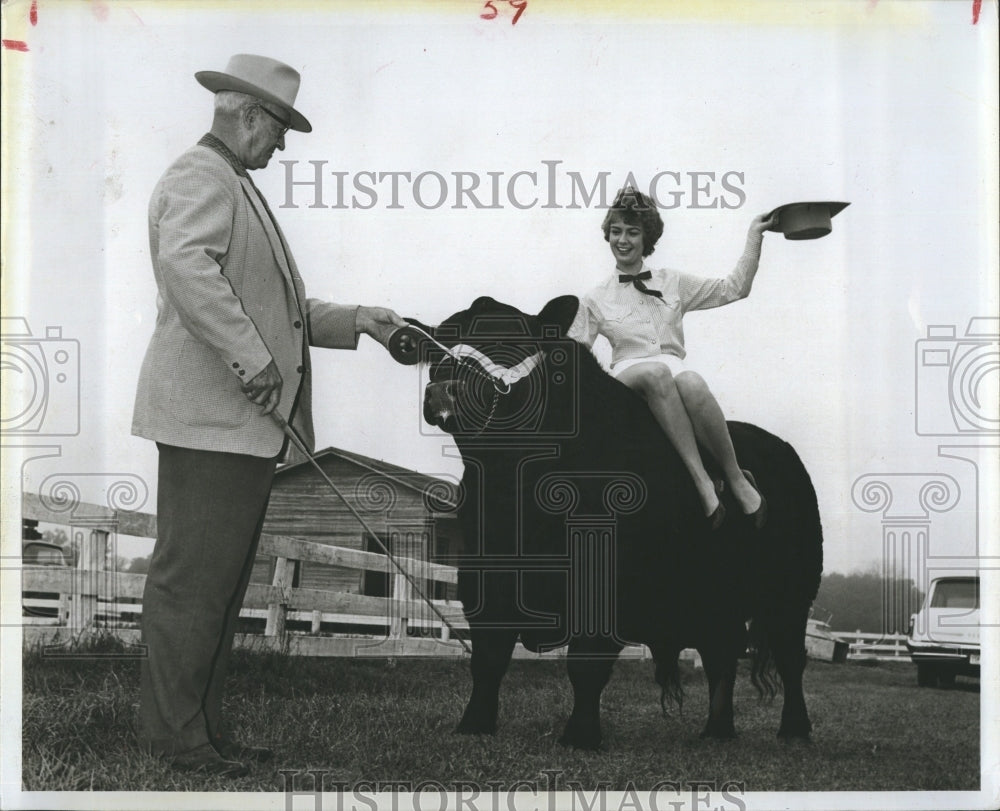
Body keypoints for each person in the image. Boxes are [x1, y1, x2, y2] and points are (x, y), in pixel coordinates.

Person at [131, 54, 406, 777]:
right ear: (248, 115)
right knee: (192, 583)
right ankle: (174, 739)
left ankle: (206, 731)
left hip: (237, 426)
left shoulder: (235, 184)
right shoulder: (203, 176)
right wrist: (253, 360)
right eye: (279, 128)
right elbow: (185, 266)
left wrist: (360, 320)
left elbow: (278, 309)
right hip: (211, 423)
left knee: (218, 588)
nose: (282, 145)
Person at [568, 187, 775, 530]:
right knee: (657, 373)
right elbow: (572, 351)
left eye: (632, 232)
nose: (623, 240)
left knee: (690, 380)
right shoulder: (595, 298)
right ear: (608, 235)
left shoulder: (672, 281)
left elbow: (734, 288)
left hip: (675, 375)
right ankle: (701, 482)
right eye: (616, 231)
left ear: (646, 237)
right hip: (629, 379)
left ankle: (736, 478)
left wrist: (755, 235)